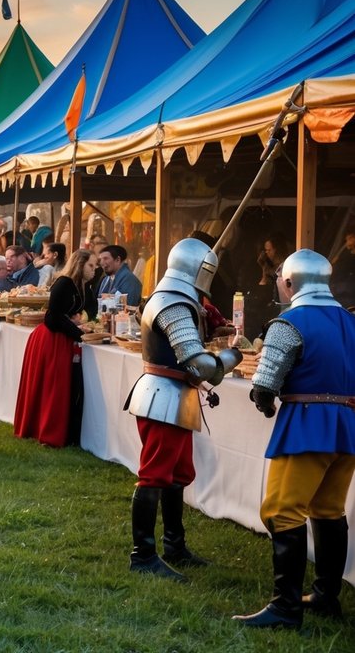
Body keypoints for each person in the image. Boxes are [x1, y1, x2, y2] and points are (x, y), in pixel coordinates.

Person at [233, 250, 355, 630]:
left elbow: (264, 385)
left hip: (307, 425)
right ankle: (325, 596)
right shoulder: (351, 321)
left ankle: (286, 608)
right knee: (328, 509)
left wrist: (265, 402)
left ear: (289, 283)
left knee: (281, 511)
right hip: (348, 427)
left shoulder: (290, 322)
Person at [124, 238, 242, 582]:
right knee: (155, 474)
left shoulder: (175, 297)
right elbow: (200, 365)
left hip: (174, 395)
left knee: (177, 474)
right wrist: (232, 356)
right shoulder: (173, 302)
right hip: (163, 395)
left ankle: (174, 545)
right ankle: (143, 555)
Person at [13, 250, 96, 448]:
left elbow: (91, 309)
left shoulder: (84, 286)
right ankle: (48, 431)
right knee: (53, 387)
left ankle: (62, 431)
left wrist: (80, 320)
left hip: (64, 337)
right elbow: (53, 317)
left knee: (59, 387)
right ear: (80, 265)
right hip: (52, 339)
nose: (94, 270)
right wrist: (77, 331)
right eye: (91, 265)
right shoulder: (64, 283)